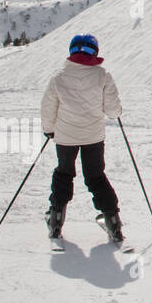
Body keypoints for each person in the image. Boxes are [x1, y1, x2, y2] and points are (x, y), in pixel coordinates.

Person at [41, 34, 124, 244]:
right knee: (96, 177)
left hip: (65, 137)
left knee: (64, 174)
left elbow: (48, 107)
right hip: (93, 136)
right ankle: (113, 223)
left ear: (71, 51)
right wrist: (115, 112)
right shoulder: (103, 76)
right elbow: (113, 111)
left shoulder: (59, 78)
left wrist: (50, 130)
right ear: (94, 51)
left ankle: (55, 220)